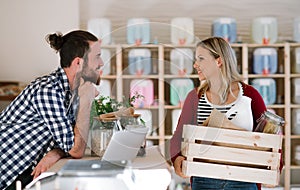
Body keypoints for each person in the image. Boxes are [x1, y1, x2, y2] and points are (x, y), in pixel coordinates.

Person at [0, 30, 103, 189]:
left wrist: (55, 153)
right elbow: (76, 150)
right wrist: (86, 100)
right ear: (78, 63)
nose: (101, 63)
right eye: (97, 56)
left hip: (26, 173)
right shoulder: (48, 91)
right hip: (8, 176)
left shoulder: (72, 93)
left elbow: (75, 144)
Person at [170, 37, 268, 190]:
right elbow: (178, 135)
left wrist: (274, 166)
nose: (195, 65)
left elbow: (270, 136)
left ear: (219, 61)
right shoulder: (195, 97)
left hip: (244, 179)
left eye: (201, 59)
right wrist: (177, 158)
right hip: (204, 179)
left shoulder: (250, 95)